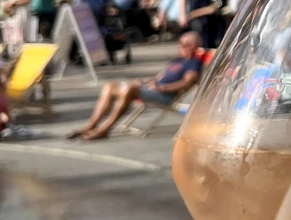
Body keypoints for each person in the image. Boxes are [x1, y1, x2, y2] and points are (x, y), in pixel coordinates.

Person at [66, 33, 204, 141]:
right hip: (154, 89)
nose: (180, 46)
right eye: (179, 43)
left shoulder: (193, 63)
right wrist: (145, 82)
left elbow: (186, 83)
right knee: (109, 87)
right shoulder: (177, 60)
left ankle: (105, 130)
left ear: (193, 46)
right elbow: (158, 77)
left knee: (129, 89)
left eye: (183, 44)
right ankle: (91, 125)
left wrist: (163, 88)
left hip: (165, 95)